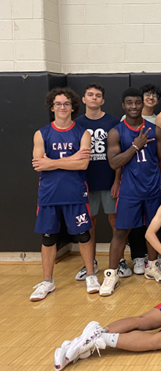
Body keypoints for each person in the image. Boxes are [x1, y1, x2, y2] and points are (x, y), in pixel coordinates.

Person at [102, 88, 161, 296]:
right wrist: (134, 146)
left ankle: (152, 266)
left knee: (154, 228)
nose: (133, 106)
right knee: (122, 231)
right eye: (129, 102)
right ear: (123, 105)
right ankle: (111, 274)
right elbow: (114, 163)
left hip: (153, 188)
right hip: (130, 190)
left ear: (143, 105)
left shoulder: (155, 130)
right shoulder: (116, 132)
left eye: (137, 102)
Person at [31, 87, 97, 301]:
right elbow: (39, 164)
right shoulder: (41, 133)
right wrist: (71, 159)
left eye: (66, 104)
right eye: (58, 103)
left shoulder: (82, 133)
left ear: (73, 107)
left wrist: (53, 162)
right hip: (49, 194)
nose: (62, 107)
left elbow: (84, 163)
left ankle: (90, 276)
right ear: (52, 107)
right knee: (48, 238)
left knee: (84, 235)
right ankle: (47, 282)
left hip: (75, 192)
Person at [74, 83, 125, 281]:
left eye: (98, 95)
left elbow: (119, 154)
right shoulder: (76, 124)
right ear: (84, 99)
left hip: (109, 179)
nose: (94, 98)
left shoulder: (113, 122)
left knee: (115, 220)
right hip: (86, 182)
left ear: (102, 100)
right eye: (90, 95)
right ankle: (90, 263)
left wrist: (117, 180)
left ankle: (119, 260)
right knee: (90, 222)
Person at [121, 83, 161, 273]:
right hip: (131, 184)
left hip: (152, 182)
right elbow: (118, 159)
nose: (150, 98)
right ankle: (138, 256)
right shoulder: (123, 123)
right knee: (133, 224)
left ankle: (154, 262)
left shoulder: (157, 122)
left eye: (154, 95)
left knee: (153, 223)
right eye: (147, 95)